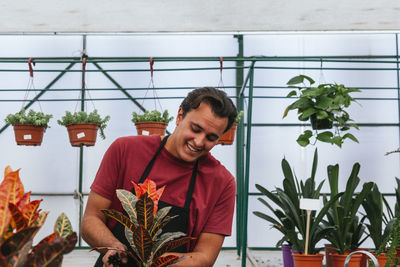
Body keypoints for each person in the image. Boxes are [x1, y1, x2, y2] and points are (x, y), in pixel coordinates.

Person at [81, 87, 238, 267]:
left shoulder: (222, 182)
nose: (199, 142)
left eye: (211, 138)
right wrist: (114, 248)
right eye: (195, 129)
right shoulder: (125, 150)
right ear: (180, 116)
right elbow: (91, 220)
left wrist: (158, 264)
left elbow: (205, 257)